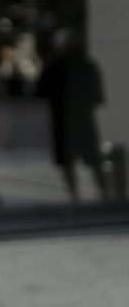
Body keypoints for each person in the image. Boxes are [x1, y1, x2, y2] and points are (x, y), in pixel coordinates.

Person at [36, 28, 107, 203]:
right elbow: (97, 96)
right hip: (75, 120)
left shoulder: (58, 66)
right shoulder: (82, 66)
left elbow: (40, 91)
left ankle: (81, 194)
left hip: (67, 120)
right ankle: (96, 193)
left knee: (80, 160)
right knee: (87, 159)